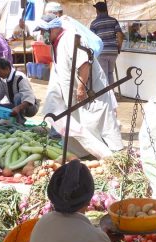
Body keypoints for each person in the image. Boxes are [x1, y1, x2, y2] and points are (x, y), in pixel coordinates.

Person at [19, 160, 127, 242]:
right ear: (88, 200)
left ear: (53, 197)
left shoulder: (43, 223)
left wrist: (101, 240)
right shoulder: (94, 240)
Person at [35, 17, 123, 158]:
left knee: (97, 122)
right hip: (73, 94)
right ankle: (82, 153)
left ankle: (113, 154)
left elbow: (84, 63)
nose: (42, 35)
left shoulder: (70, 38)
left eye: (44, 31)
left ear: (54, 28)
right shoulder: (55, 43)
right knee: (77, 123)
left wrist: (81, 87)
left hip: (90, 90)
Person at [0, 58, 39, 124]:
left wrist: (18, 108)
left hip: (30, 107)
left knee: (17, 97)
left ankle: (20, 123)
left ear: (7, 69)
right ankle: (13, 120)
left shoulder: (20, 77)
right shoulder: (2, 80)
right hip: (14, 107)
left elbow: (29, 98)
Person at [90, 2, 124, 86]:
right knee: (110, 73)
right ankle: (111, 94)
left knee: (104, 74)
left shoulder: (94, 23)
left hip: (102, 51)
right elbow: (120, 35)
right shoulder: (113, 20)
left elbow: (92, 39)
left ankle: (107, 97)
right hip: (113, 51)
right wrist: (118, 47)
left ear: (97, 10)